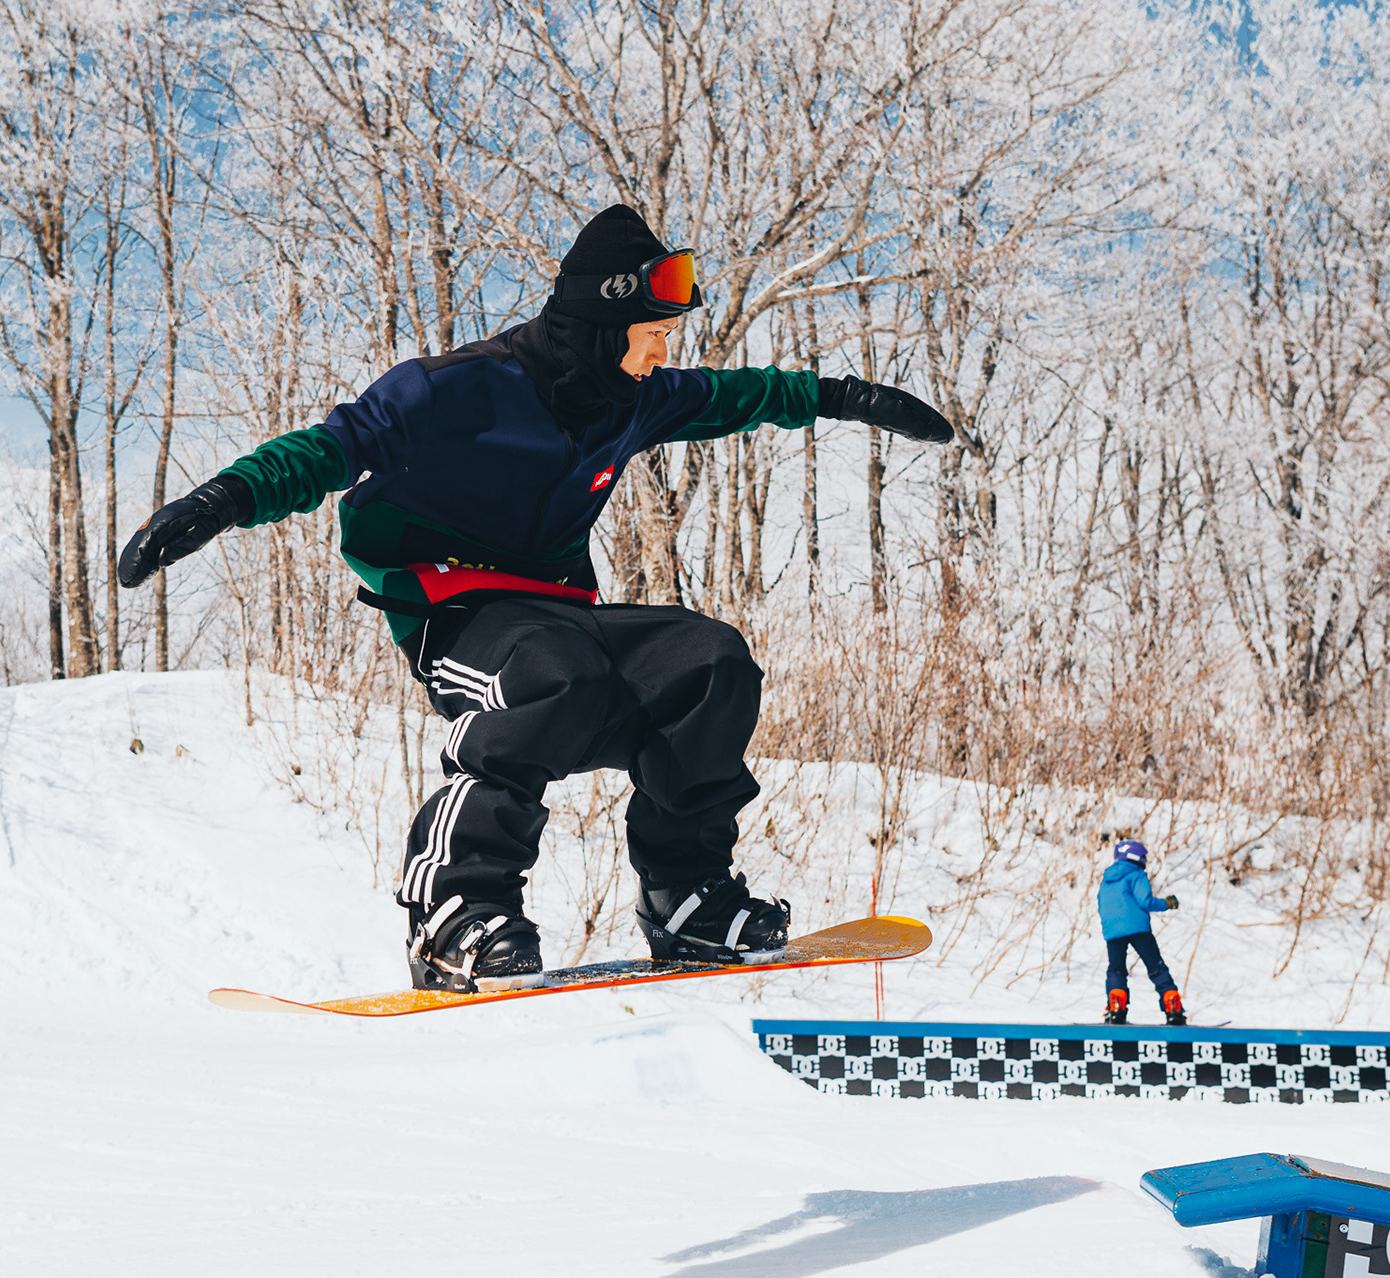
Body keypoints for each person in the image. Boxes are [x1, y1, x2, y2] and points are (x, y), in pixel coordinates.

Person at [117, 204, 953, 992]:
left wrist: (850, 398)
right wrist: (218, 502)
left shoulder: (634, 399)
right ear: (602, 323)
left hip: (558, 610)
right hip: (456, 609)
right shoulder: (455, 389)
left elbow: (748, 397)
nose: (662, 353)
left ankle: (688, 897)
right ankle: (456, 908)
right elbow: (327, 449)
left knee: (709, 660)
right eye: (653, 335)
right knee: (556, 675)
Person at [1097, 838, 1186, 1025]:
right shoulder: (1136, 874)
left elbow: (1102, 905)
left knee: (1116, 970)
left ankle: (1116, 1008)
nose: (1145, 861)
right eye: (1144, 856)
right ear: (1135, 856)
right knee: (1155, 966)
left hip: (1113, 931)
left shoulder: (1106, 879)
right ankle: (1172, 1006)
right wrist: (1167, 904)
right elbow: (1145, 901)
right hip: (1138, 928)